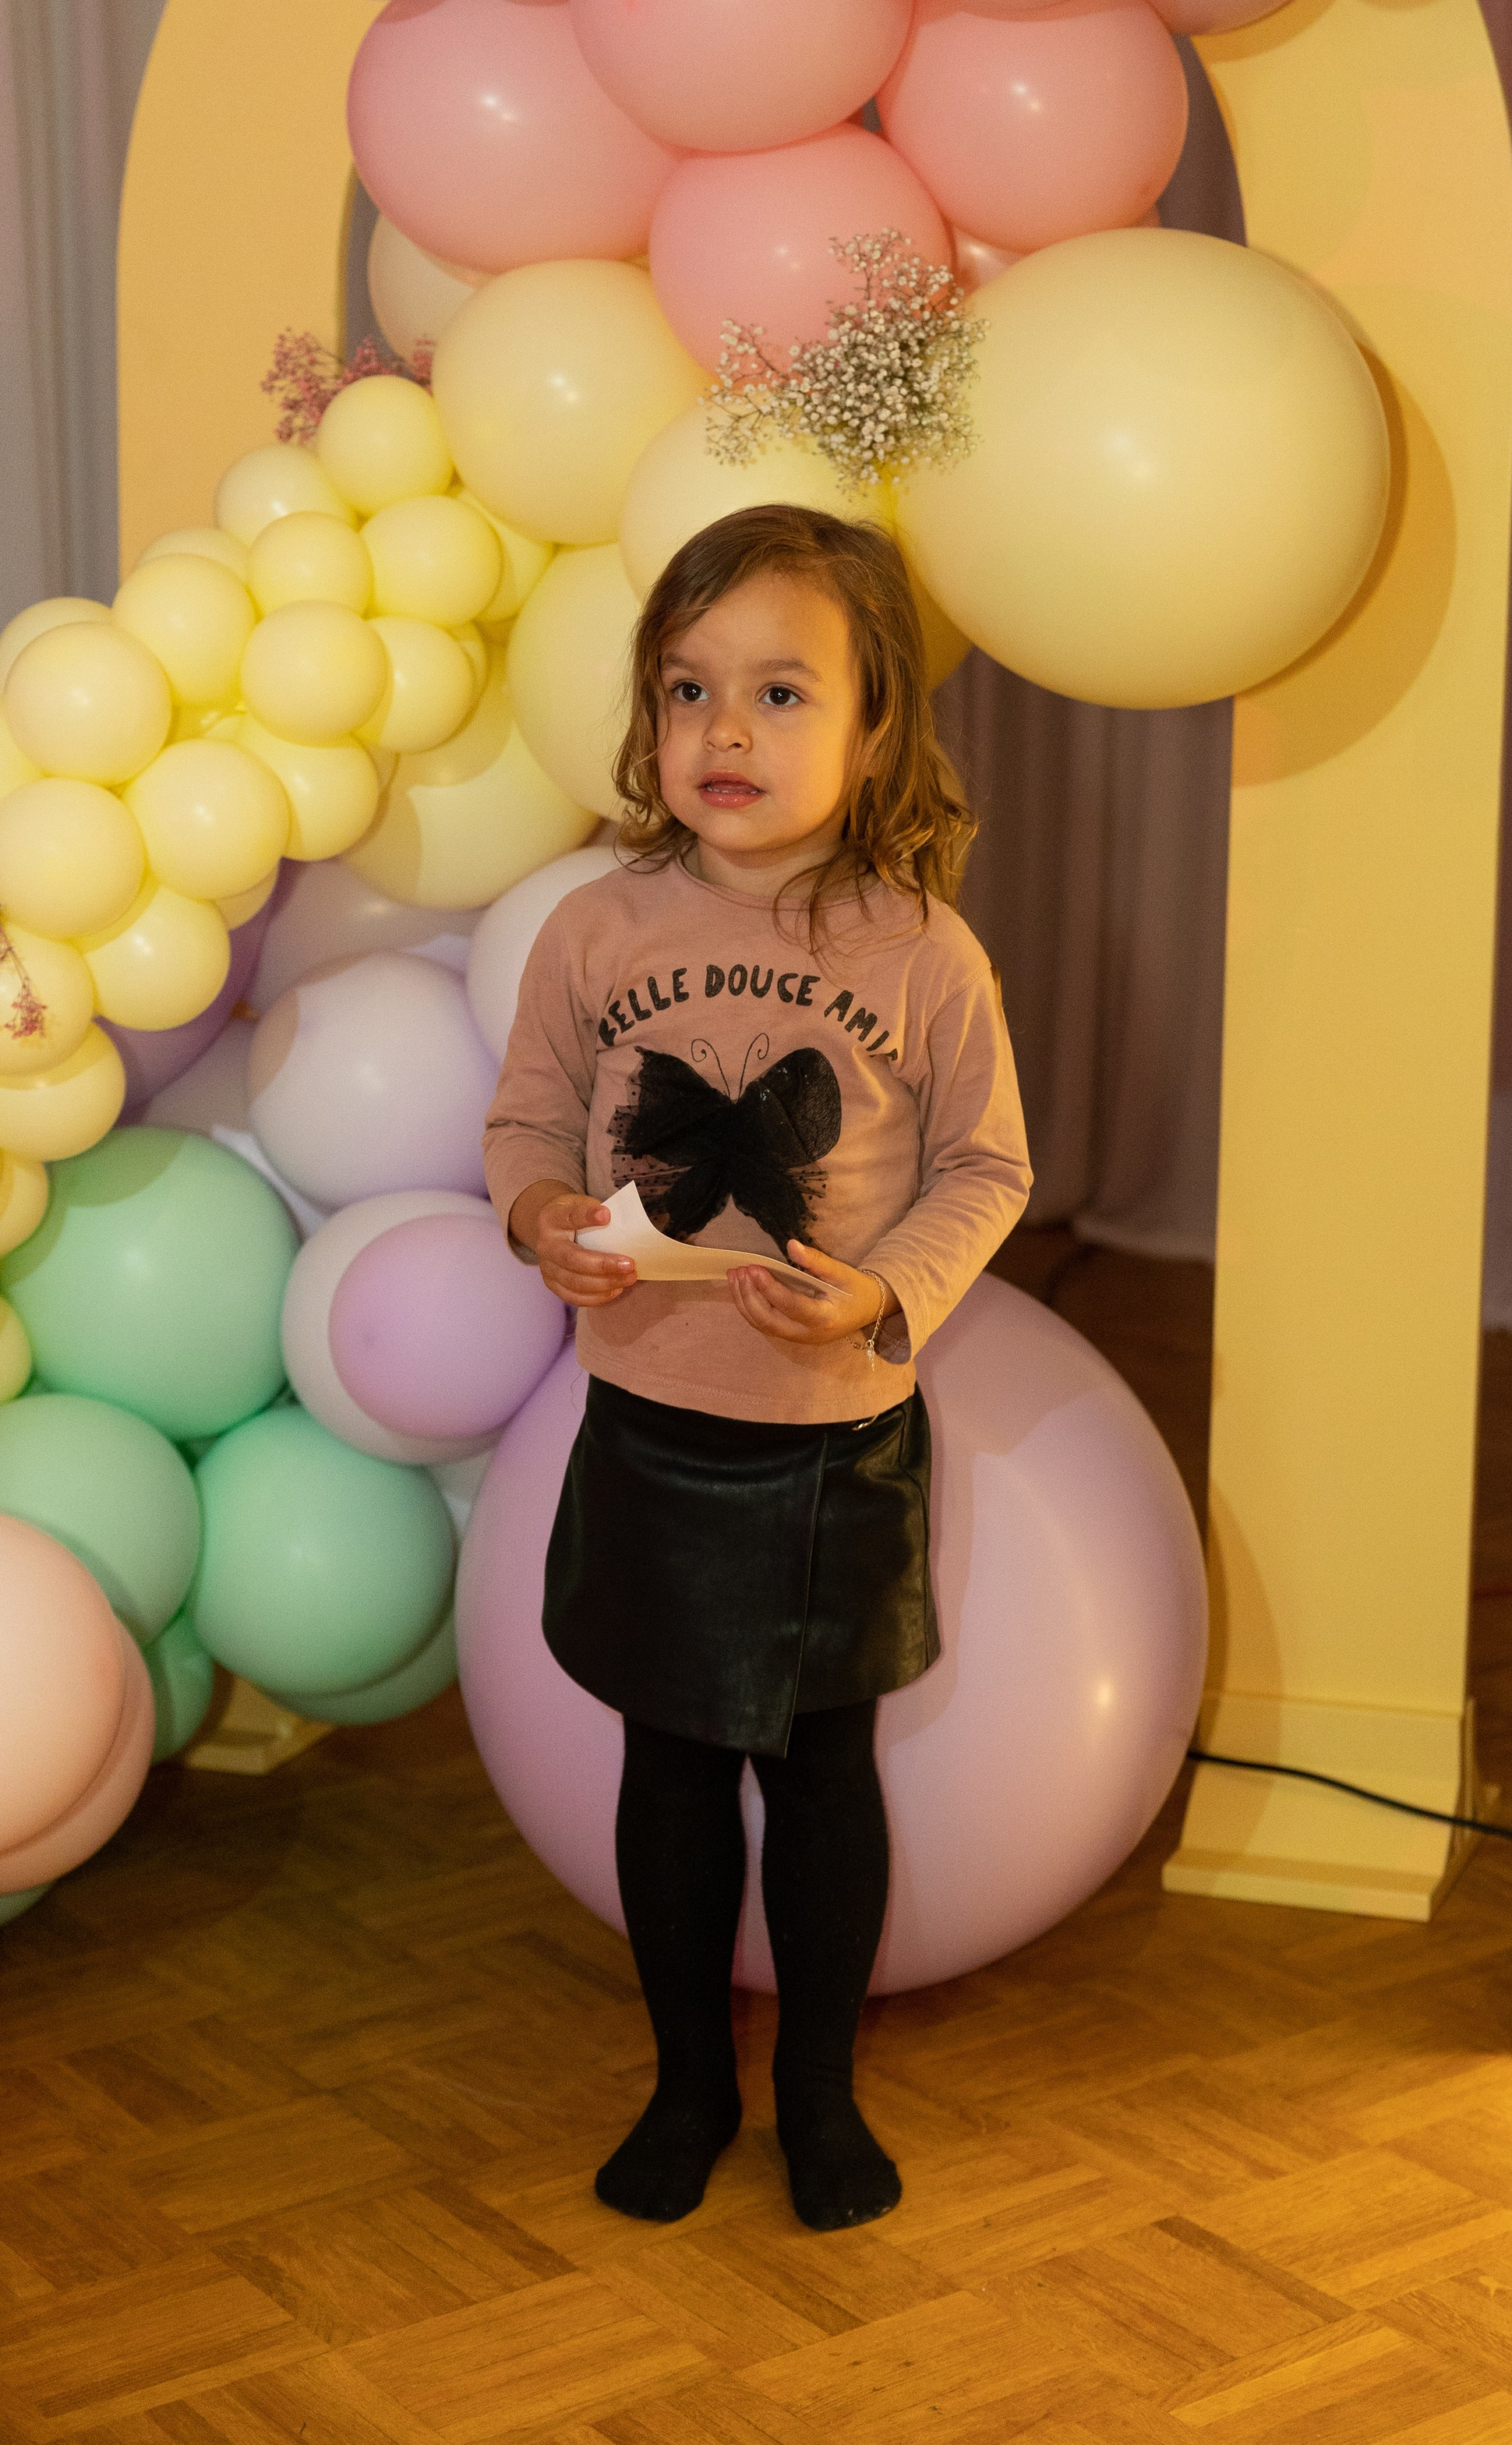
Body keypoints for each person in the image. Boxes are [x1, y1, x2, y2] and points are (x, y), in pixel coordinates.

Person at [483, 503, 1030, 2235]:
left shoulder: (923, 952)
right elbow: (517, 1127)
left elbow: (986, 1171)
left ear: (874, 731)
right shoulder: (594, 929)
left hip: (827, 1446)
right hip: (649, 1423)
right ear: (646, 722)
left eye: (783, 694)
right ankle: (685, 2082)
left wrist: (882, 1299)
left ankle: (814, 2094)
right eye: (689, 690)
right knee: (664, 1770)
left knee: (816, 1775)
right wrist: (540, 1215)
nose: (726, 732)